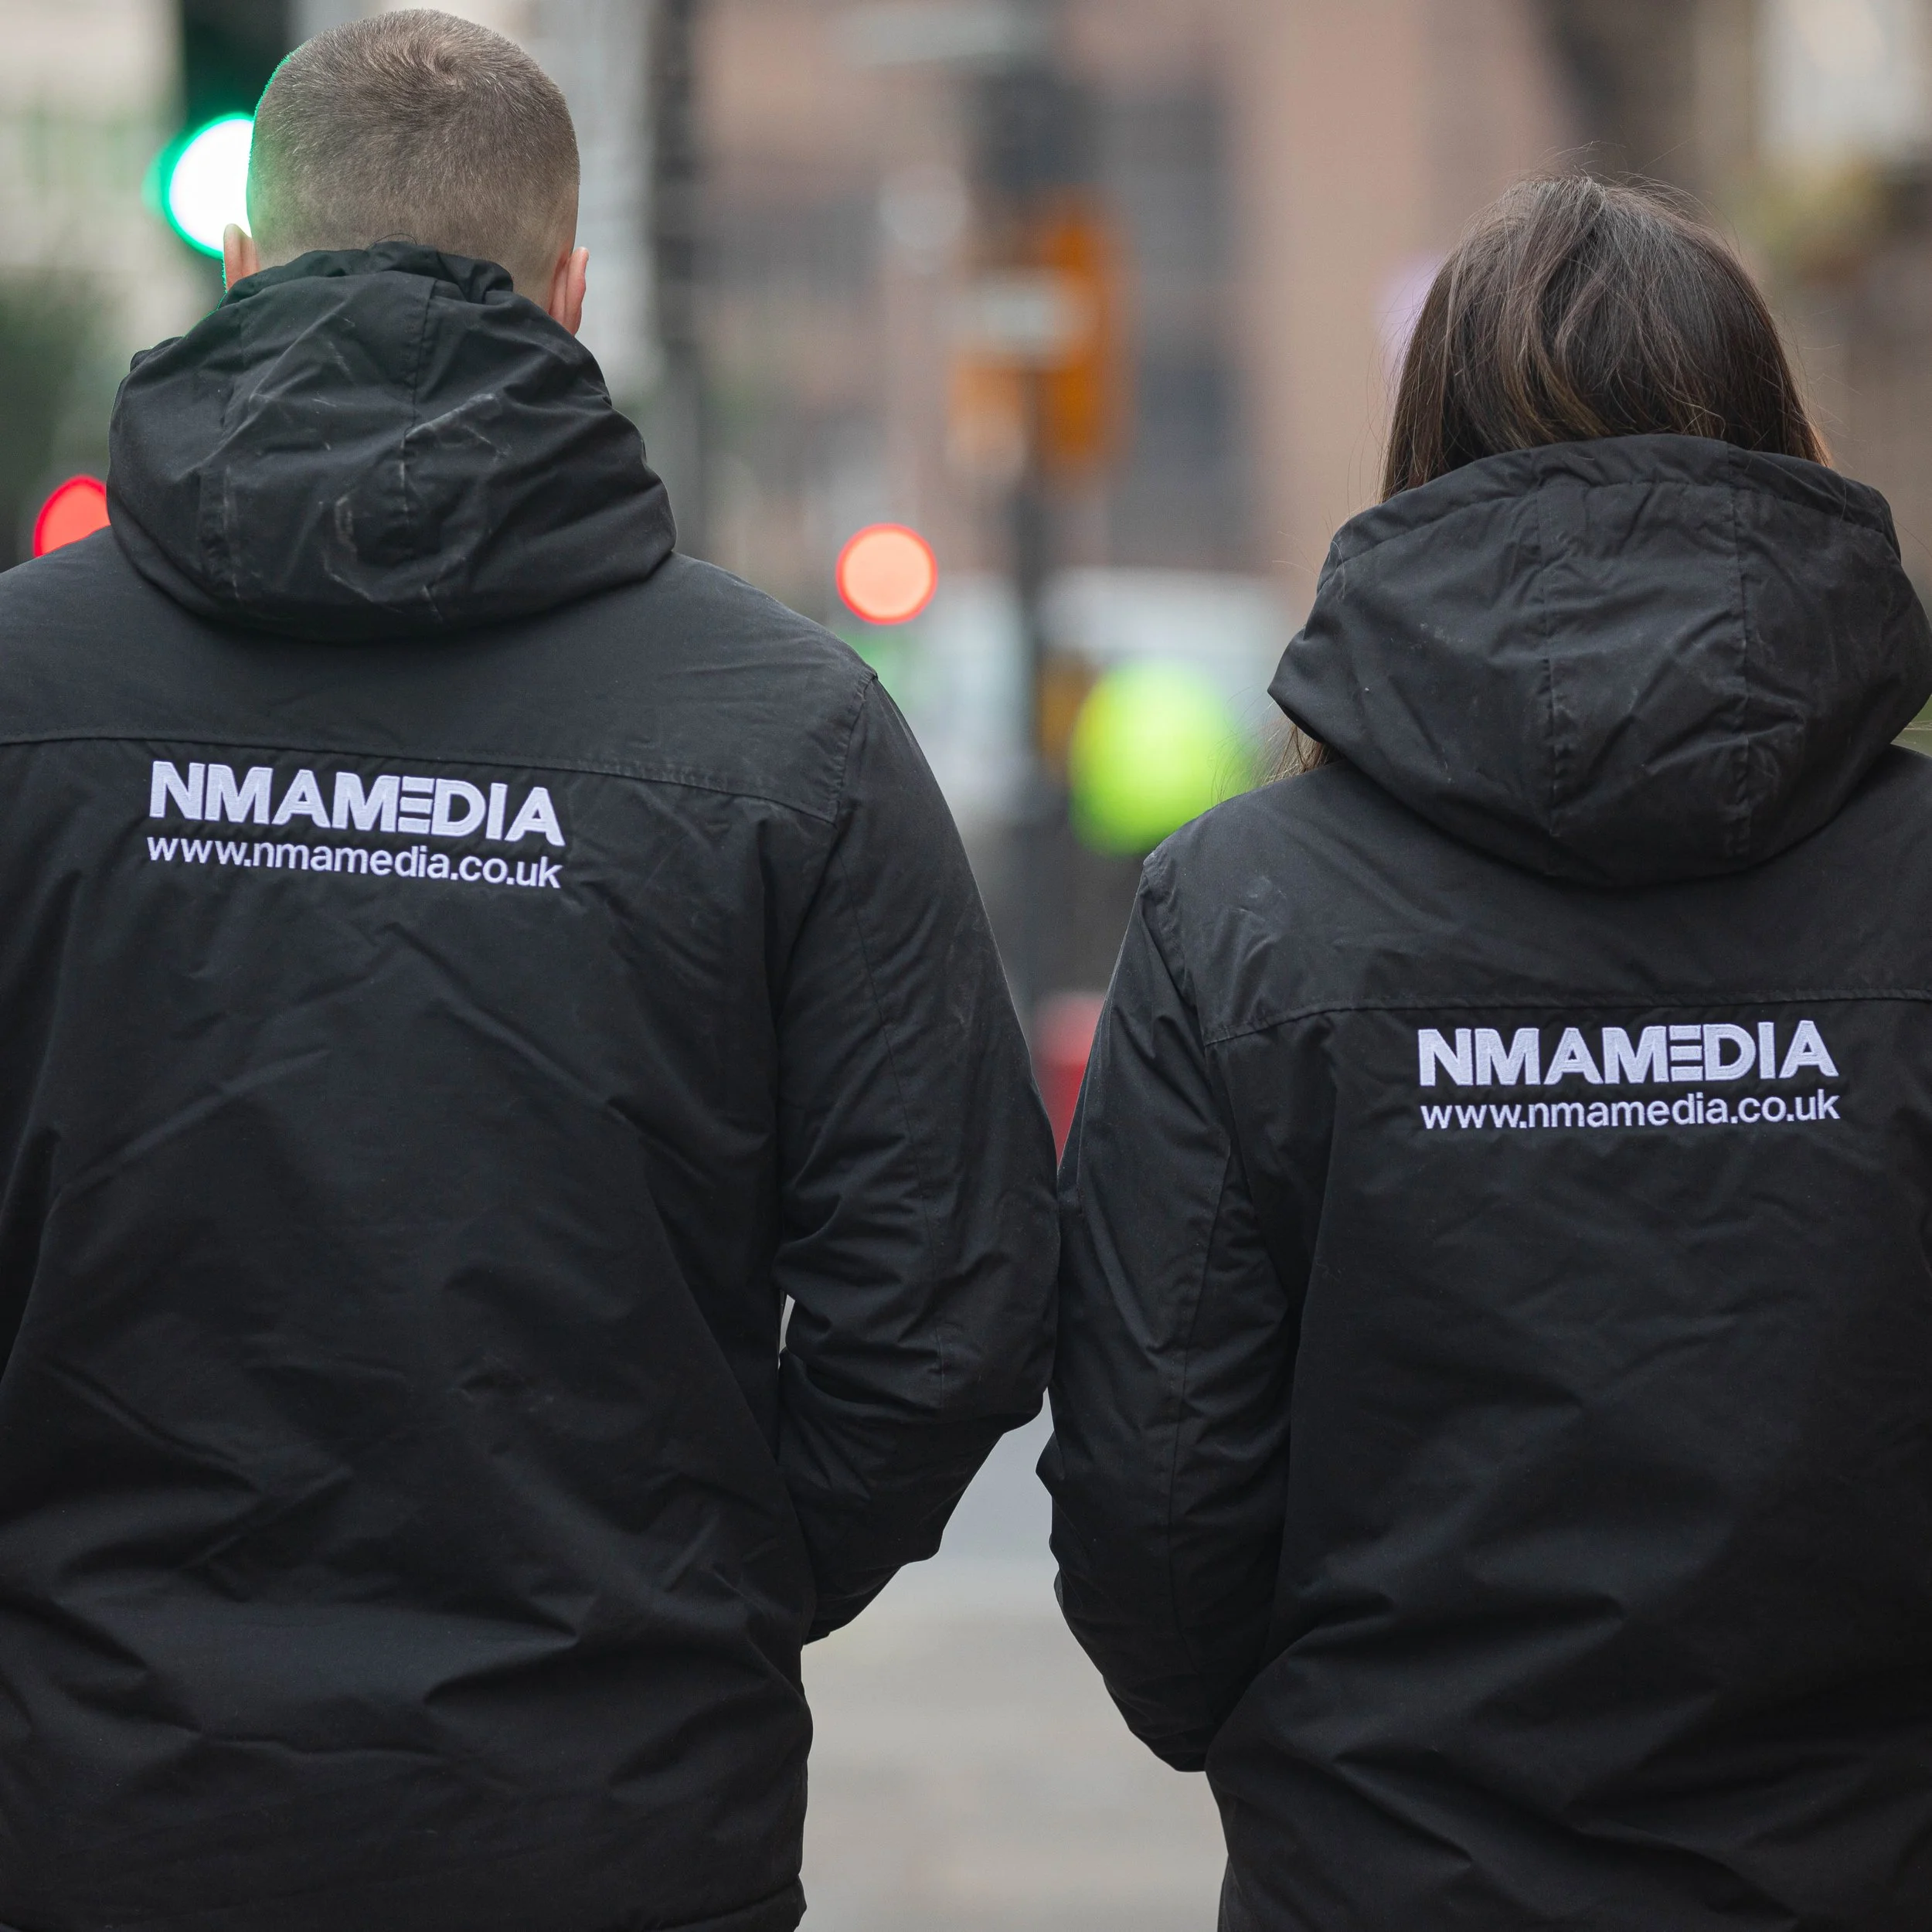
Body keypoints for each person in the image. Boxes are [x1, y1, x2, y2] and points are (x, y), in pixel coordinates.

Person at [0, 12, 1055, 1932]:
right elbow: (951, 1300)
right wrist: (708, 1575)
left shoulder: (22, 699)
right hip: (612, 1815)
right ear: (568, 296)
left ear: (236, 260)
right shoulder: (786, 732)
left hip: (100, 1805)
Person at [1044, 174, 1932, 1929]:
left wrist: (1316, 1764)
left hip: (1387, 1860)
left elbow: (1154, 1491)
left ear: (1420, 452)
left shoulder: (1247, 911)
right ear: (1773, 427)